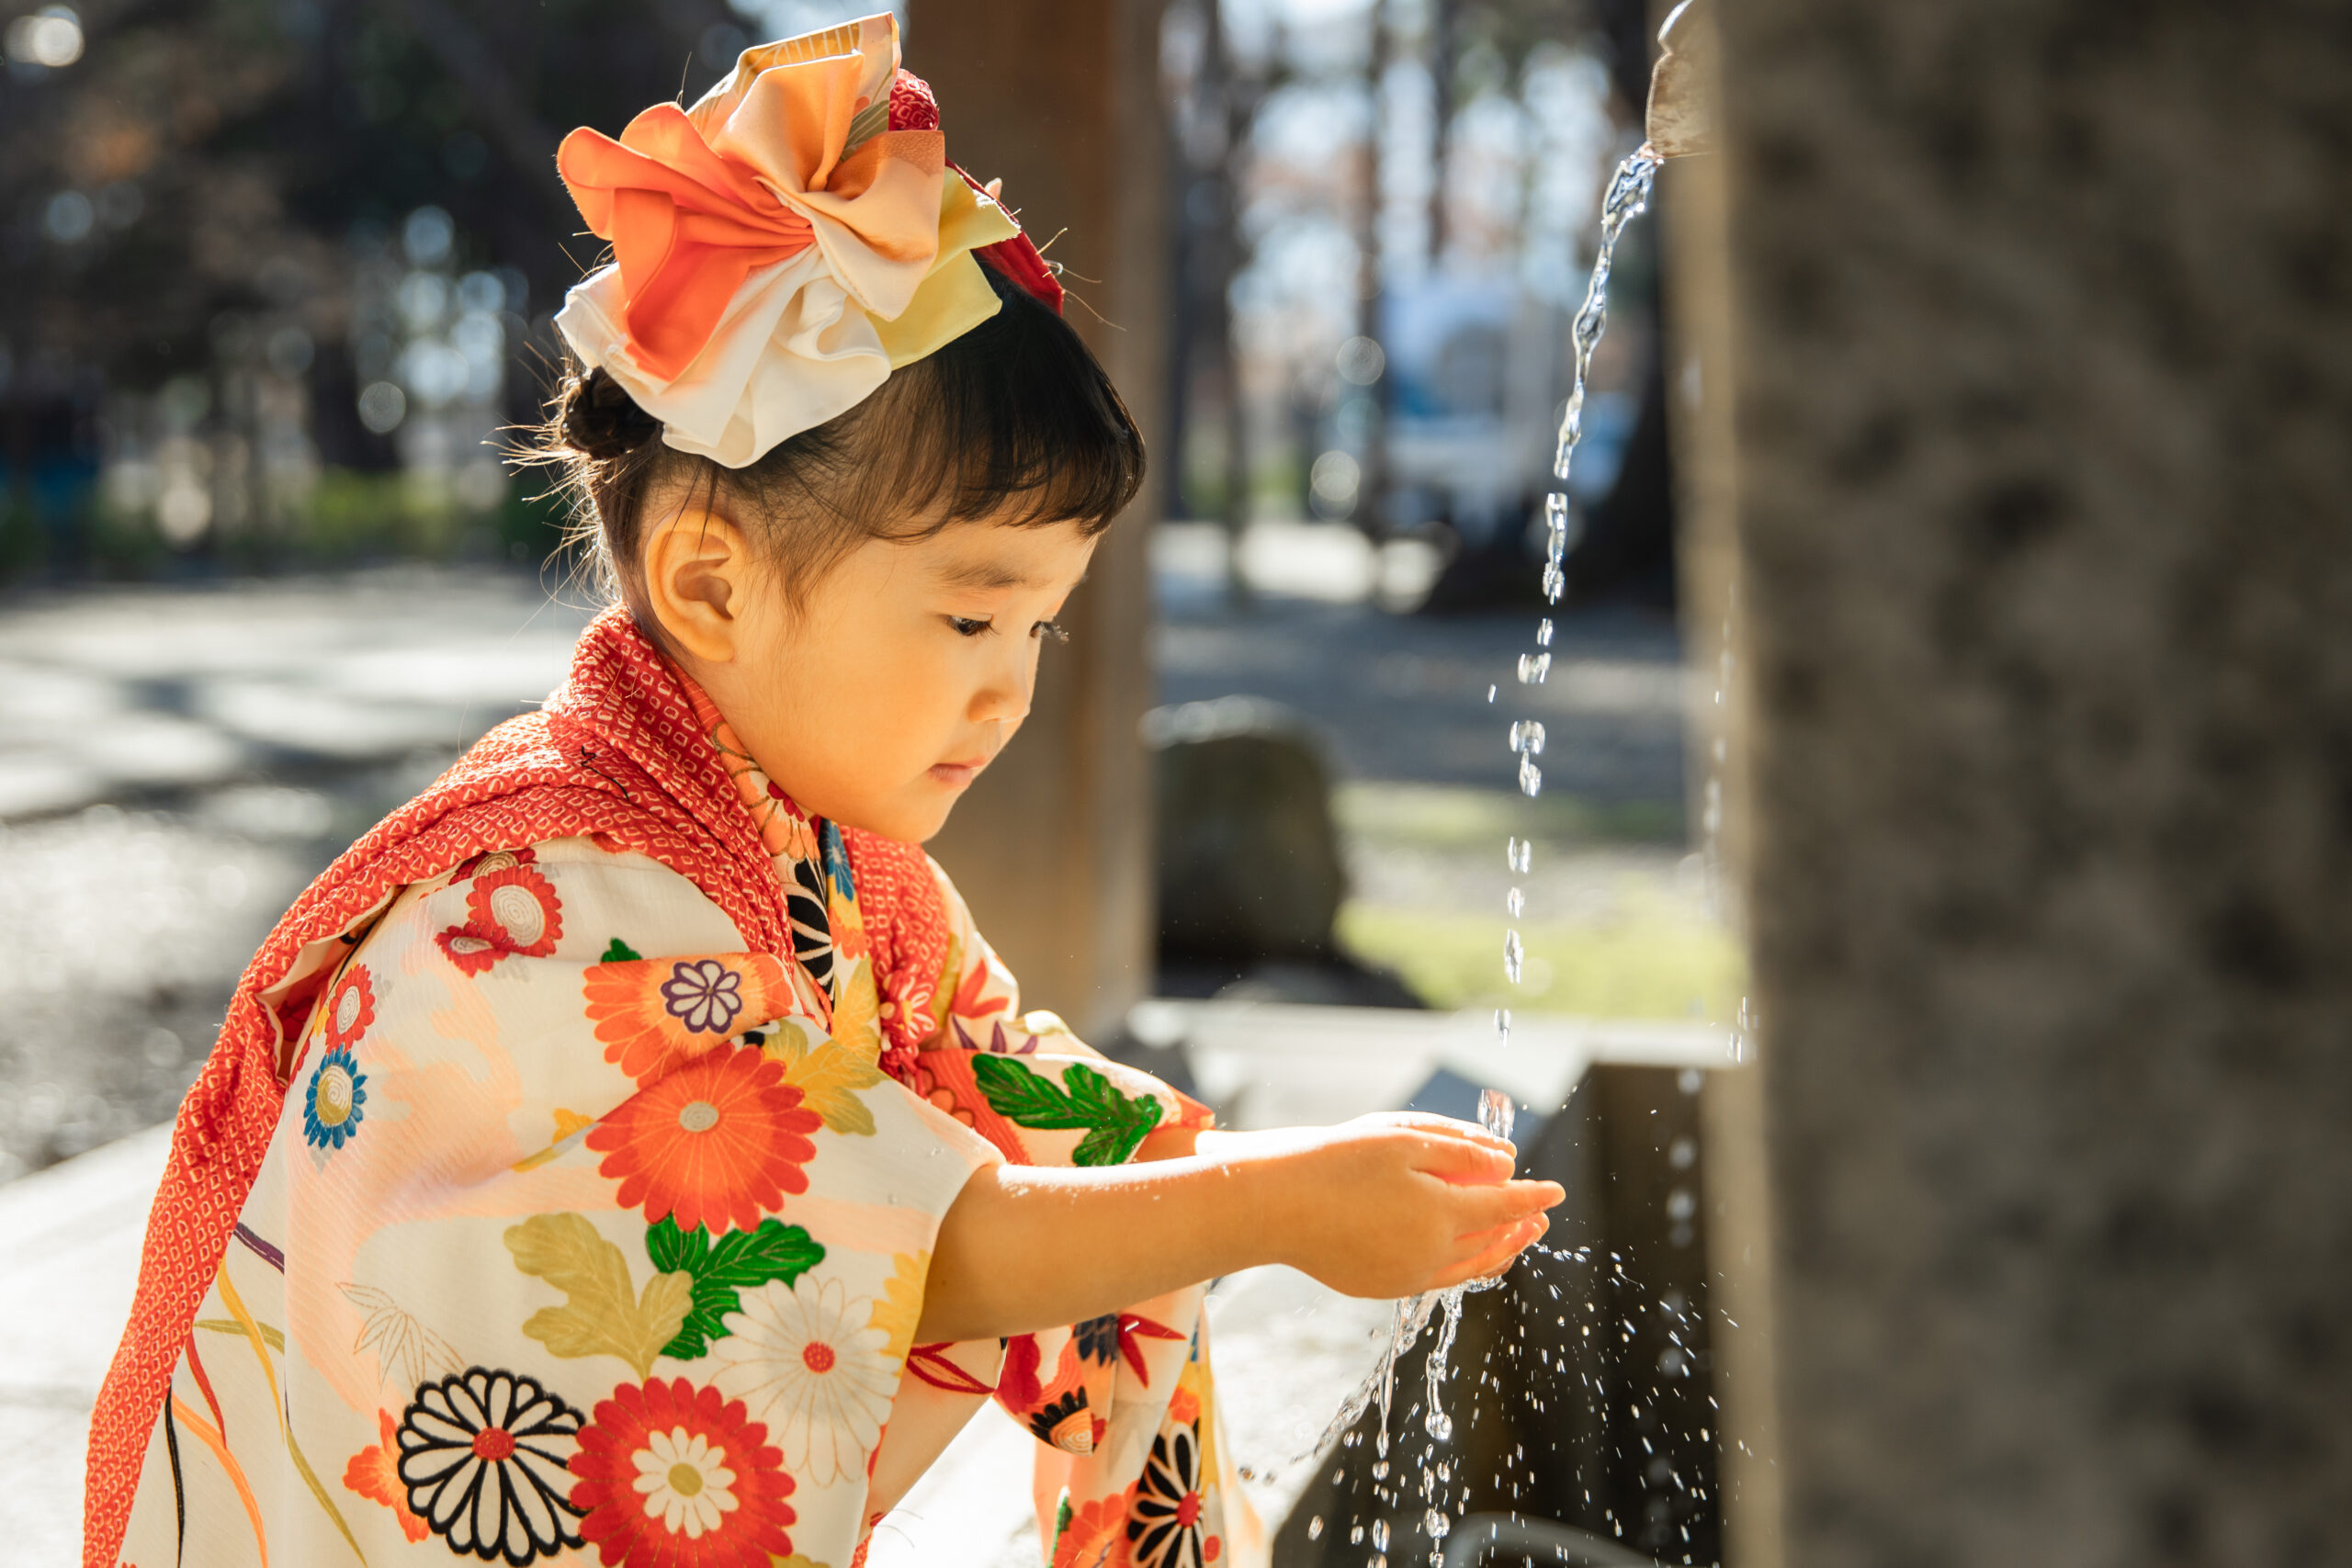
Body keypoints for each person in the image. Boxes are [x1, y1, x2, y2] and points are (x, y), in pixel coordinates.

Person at [84, 17, 1562, 1568]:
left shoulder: (834, 865)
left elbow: (1027, 1120)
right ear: (710, 586)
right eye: (973, 615)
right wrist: (1265, 1205)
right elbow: (877, 1244)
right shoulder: (534, 908)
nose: (1016, 683)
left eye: (1045, 623)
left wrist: (1283, 1181)